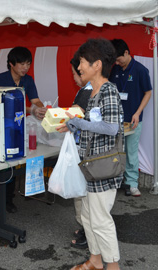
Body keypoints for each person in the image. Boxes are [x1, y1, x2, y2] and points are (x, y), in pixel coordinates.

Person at [57, 38, 123, 270]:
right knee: (87, 217)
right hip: (89, 168)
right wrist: (74, 124)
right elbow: (92, 125)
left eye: (83, 62)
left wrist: (81, 123)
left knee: (100, 219)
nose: (79, 67)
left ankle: (112, 266)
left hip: (103, 169)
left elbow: (111, 127)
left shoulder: (108, 90)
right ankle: (95, 261)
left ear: (97, 65)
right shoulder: (93, 93)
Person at [0, 46, 46, 213]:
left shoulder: (28, 80)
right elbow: (5, 104)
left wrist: (41, 108)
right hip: (4, 126)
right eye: (22, 64)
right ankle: (6, 199)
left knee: (19, 160)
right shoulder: (0, 79)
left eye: (28, 64)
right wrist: (32, 110)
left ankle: (14, 194)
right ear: (11, 64)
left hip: (21, 125)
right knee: (7, 163)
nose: (25, 68)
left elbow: (35, 100)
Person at [109, 39, 152, 197]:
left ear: (127, 53)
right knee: (115, 151)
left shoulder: (140, 70)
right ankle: (116, 180)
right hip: (115, 120)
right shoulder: (114, 69)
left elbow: (148, 92)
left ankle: (132, 183)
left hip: (133, 120)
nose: (117, 62)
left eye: (119, 59)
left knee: (131, 152)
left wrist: (137, 112)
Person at [69, 54, 92, 250]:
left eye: (75, 73)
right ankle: (86, 230)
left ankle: (87, 234)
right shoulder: (91, 89)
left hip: (84, 151)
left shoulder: (86, 92)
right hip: (88, 150)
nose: (74, 77)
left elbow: (73, 116)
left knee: (82, 194)